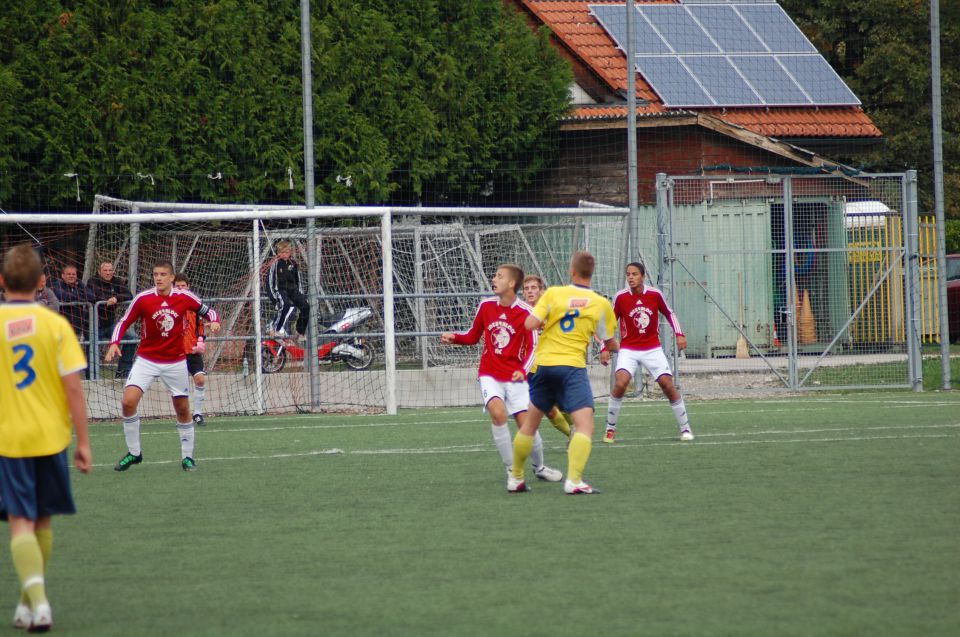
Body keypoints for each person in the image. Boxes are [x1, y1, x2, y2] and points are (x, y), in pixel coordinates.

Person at [0, 243, 91, 632]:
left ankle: (36, 603)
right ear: (42, 282)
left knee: (20, 521)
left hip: (9, 441)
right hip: (52, 437)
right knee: (42, 522)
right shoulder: (56, 326)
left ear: (2, 282)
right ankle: (30, 603)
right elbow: (74, 389)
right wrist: (84, 441)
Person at [508, 251, 618, 495]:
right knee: (585, 426)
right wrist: (615, 348)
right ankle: (574, 480)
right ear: (593, 272)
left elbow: (529, 324)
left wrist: (549, 319)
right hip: (571, 368)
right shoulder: (601, 303)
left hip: (543, 366)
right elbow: (609, 341)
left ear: (572, 271)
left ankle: (515, 478)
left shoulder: (554, 293)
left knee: (529, 425)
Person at [441, 265, 562, 484]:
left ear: (511, 283)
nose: (494, 278)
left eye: (499, 276)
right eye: (494, 275)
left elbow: (534, 347)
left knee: (527, 425)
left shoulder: (526, 312)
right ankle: (512, 471)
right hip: (490, 373)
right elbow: (473, 336)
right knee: (498, 414)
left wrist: (522, 371)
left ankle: (540, 467)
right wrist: (455, 338)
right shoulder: (486, 306)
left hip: (515, 376)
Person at [106, 260, 220, 472]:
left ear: (172, 278)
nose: (158, 278)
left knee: (182, 408)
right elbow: (123, 322)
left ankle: (187, 457)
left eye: (163, 274)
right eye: (155, 274)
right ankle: (134, 453)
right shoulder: (144, 299)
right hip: (147, 360)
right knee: (128, 402)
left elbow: (209, 311)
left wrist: (214, 321)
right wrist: (114, 343)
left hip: (175, 361)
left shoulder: (184, 297)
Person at [604, 262, 694, 443]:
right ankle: (610, 429)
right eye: (628, 274)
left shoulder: (654, 294)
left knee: (668, 385)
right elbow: (608, 324)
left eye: (634, 274)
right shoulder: (620, 297)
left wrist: (679, 334)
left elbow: (669, 313)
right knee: (621, 383)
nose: (630, 277)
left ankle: (685, 428)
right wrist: (604, 347)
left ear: (643, 276)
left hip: (652, 348)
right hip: (628, 349)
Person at [521, 274, 573, 439]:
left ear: (541, 291)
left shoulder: (551, 310)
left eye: (534, 288)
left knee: (561, 403)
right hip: (531, 367)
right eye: (526, 289)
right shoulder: (519, 311)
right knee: (548, 409)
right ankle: (572, 435)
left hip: (553, 363)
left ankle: (576, 429)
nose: (530, 292)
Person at [88, 260, 135, 377]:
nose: (108, 273)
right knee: (92, 347)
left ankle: (122, 372)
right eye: (105, 270)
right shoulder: (92, 281)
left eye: (110, 270)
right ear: (99, 271)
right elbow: (94, 296)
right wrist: (108, 299)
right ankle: (91, 376)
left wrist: (116, 298)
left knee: (132, 338)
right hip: (94, 324)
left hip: (110, 324)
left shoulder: (116, 281)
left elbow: (129, 295)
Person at [174, 273, 209, 426]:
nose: (181, 288)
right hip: (176, 352)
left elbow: (200, 326)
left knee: (200, 379)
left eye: (183, 286)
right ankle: (183, 415)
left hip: (192, 350)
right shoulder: (170, 304)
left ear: (188, 287)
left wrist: (201, 340)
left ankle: (198, 413)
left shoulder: (195, 304)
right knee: (180, 387)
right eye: (178, 286)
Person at [267, 240, 309, 340]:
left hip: (292, 290)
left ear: (290, 252)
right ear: (278, 253)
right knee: (285, 305)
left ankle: (300, 332)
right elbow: (270, 281)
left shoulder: (293, 263)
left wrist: (300, 294)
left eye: (286, 252)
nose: (284, 255)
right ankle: (275, 329)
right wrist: (273, 297)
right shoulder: (275, 263)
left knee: (306, 306)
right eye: (281, 252)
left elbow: (297, 279)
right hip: (280, 290)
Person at [51, 264, 97, 341]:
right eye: (68, 274)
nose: (71, 276)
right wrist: (80, 297)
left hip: (77, 328)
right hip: (61, 327)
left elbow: (92, 296)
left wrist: (77, 296)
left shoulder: (80, 284)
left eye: (73, 274)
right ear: (63, 276)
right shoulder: (57, 284)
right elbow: (62, 296)